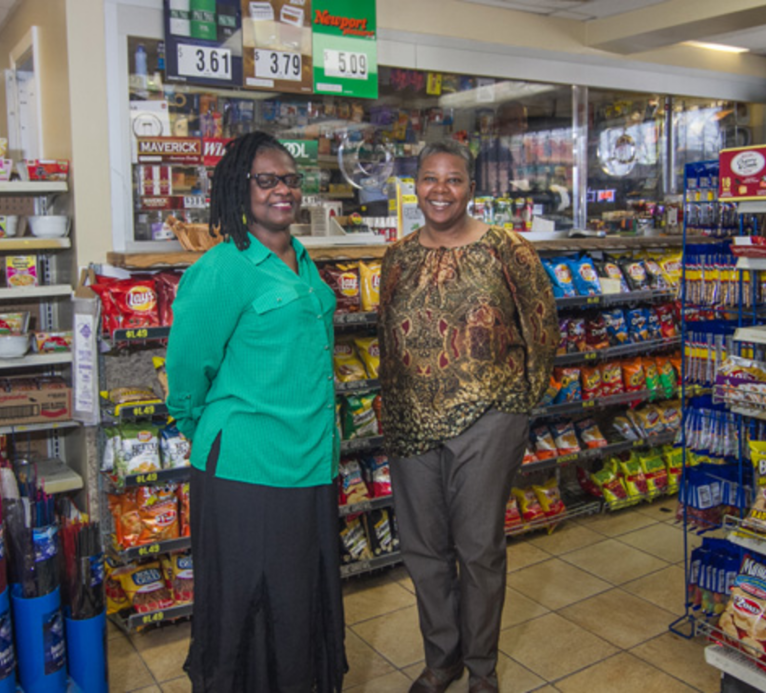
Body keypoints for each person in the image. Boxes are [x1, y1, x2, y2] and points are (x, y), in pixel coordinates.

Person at [165, 131, 347, 693]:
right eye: (266, 180)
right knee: (248, 599)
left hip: (311, 458)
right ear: (238, 190)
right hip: (246, 469)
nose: (282, 190)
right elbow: (187, 378)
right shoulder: (221, 269)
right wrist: (225, 432)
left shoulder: (304, 259)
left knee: (299, 595)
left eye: (290, 180)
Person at [377, 140, 559, 693]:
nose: (439, 189)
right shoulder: (398, 256)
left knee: (478, 547)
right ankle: (441, 661)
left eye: (452, 179)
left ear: (471, 189)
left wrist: (519, 402)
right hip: (410, 419)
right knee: (423, 548)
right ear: (415, 185)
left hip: (489, 414)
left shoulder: (508, 250)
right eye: (429, 179)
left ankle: (482, 668)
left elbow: (542, 325)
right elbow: (386, 334)